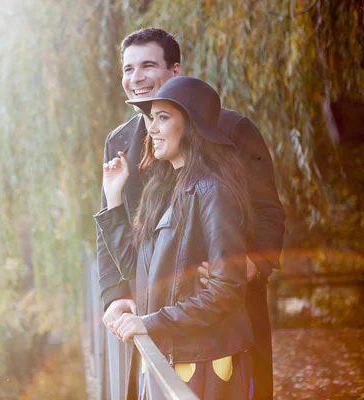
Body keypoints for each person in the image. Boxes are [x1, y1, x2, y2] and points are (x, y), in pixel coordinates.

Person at [95, 28, 285, 400]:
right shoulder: (119, 141)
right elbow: (119, 229)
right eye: (128, 68)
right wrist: (117, 293)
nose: (137, 78)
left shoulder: (231, 130)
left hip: (216, 305)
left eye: (148, 65)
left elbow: (267, 211)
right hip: (155, 304)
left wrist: (251, 264)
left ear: (176, 71)